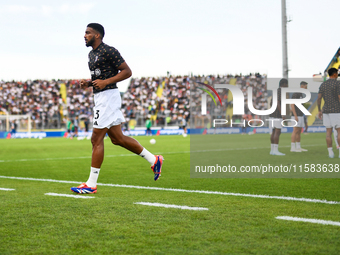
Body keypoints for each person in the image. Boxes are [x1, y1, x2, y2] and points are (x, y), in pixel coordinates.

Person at [71, 23, 163, 194]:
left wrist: (106, 82)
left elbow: (127, 71)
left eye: (87, 33)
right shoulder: (91, 55)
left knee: (96, 139)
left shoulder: (109, 50)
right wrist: (89, 83)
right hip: (100, 97)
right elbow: (101, 76)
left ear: (97, 35)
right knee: (117, 139)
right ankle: (154, 159)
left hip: (108, 98)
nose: (84, 36)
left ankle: (91, 184)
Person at [317, 67, 340, 158]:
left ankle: (330, 153)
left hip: (326, 110)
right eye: (337, 73)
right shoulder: (338, 83)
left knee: (328, 133)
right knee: (339, 132)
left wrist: (319, 110)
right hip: (337, 110)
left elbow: (319, 98)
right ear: (334, 74)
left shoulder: (323, 84)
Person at [269, 78, 288, 156]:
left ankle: (272, 150)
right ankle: (276, 150)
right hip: (277, 115)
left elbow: (271, 103)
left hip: (272, 115)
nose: (287, 86)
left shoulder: (275, 91)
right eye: (287, 84)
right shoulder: (280, 91)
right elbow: (278, 103)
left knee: (273, 132)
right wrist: (282, 114)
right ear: (284, 84)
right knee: (277, 131)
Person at [290, 81, 308, 152]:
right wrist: (295, 116)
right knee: (295, 130)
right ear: (302, 86)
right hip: (296, 116)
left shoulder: (301, 94)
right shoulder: (296, 93)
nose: (306, 88)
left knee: (299, 131)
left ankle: (298, 147)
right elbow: (292, 104)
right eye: (306, 87)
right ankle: (292, 147)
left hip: (300, 116)